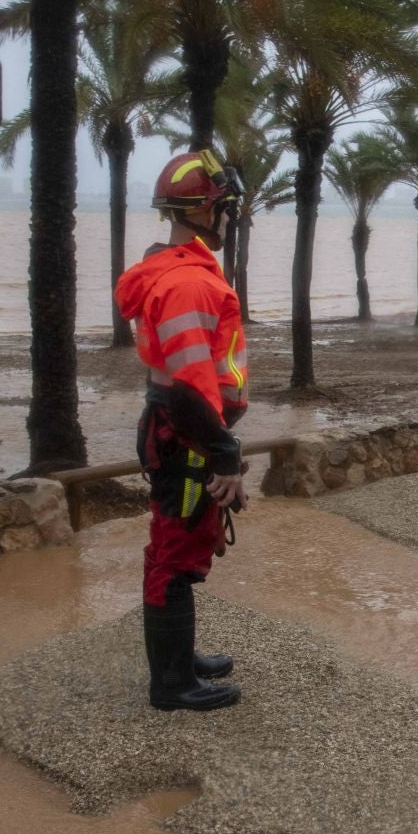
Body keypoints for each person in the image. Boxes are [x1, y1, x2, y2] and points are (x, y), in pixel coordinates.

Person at [115, 150, 250, 712]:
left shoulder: (173, 271)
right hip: (186, 437)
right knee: (173, 553)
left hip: (178, 433)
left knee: (181, 545)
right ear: (208, 211)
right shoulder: (189, 285)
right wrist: (224, 455)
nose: (230, 220)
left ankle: (180, 659)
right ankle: (172, 685)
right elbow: (189, 389)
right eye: (228, 209)